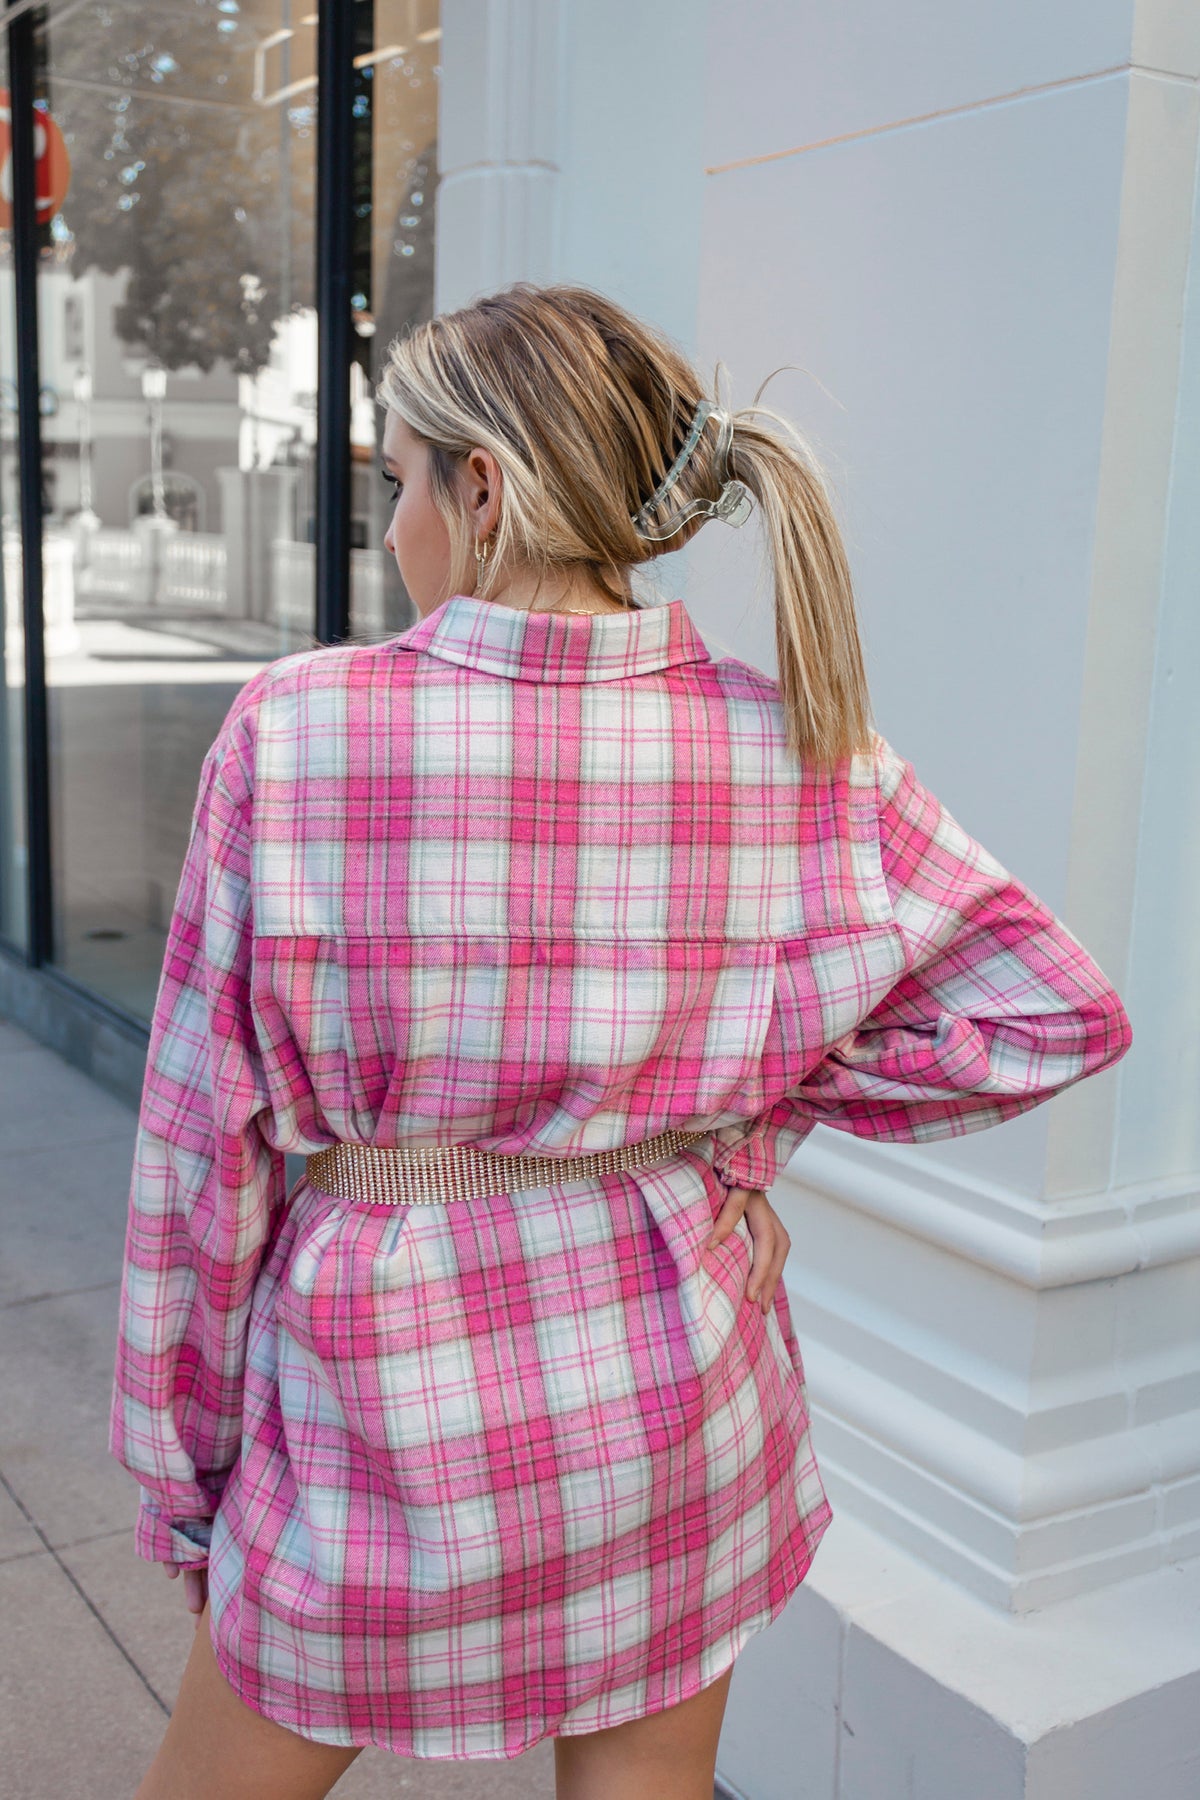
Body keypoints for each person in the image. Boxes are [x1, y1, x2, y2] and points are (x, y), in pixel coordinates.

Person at [109, 282, 1132, 1800]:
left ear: (485, 488)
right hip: (675, 1396)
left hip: (381, 1418)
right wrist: (727, 1123)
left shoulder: (296, 731)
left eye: (398, 482)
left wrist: (186, 1471)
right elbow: (1053, 1012)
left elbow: (206, 1151)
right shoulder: (795, 743)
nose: (393, 532)